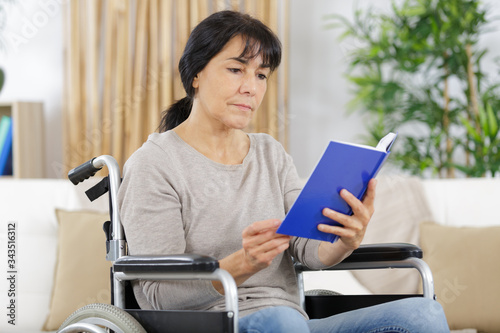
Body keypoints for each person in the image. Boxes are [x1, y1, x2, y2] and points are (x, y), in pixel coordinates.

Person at [117, 10, 449, 333]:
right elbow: (163, 296)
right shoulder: (154, 165)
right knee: (281, 321)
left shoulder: (270, 154)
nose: (251, 88)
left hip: (290, 320)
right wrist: (243, 263)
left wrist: (346, 239)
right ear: (195, 75)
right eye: (236, 70)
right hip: (213, 323)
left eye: (261, 75)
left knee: (423, 314)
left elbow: (309, 251)